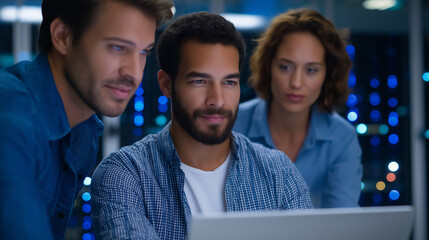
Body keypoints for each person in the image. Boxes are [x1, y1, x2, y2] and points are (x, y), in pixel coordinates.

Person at [91, 11, 313, 240]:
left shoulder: (278, 172)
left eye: (229, 82)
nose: (217, 99)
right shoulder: (125, 175)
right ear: (166, 84)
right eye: (199, 81)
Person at [0, 0, 173, 239]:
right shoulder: (10, 116)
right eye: (118, 48)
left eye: (144, 52)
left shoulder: (84, 133)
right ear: (62, 36)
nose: (134, 73)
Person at [233, 8, 363, 208]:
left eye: (311, 70)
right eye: (285, 67)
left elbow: (342, 221)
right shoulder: (232, 124)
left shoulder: (341, 137)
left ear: (328, 75)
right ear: (268, 67)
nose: (296, 82)